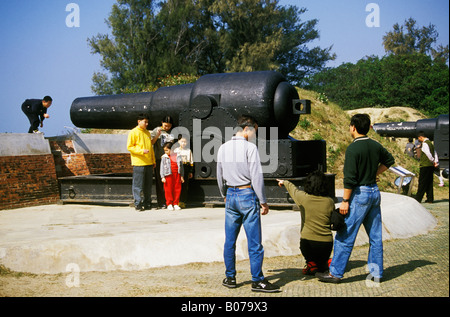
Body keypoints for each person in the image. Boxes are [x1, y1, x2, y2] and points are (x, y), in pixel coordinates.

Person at [317, 113, 395, 283]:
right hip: (374, 192)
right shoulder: (375, 145)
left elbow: (350, 179)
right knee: (375, 237)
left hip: (360, 195)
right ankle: (376, 273)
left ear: (353, 127)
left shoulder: (353, 149)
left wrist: (345, 201)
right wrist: (375, 173)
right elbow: (389, 160)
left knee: (345, 235)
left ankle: (335, 273)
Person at [217, 115, 280, 293]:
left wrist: (224, 195)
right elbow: (256, 176)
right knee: (254, 243)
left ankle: (230, 277)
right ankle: (258, 280)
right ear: (246, 128)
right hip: (246, 194)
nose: (254, 135)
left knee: (230, 241)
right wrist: (263, 201)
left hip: (230, 194)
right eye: (254, 131)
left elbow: (219, 174)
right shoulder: (250, 148)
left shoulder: (222, 148)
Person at [276, 170, 335, 275]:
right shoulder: (329, 202)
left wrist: (284, 182)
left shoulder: (303, 198)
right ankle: (324, 263)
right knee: (322, 263)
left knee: (307, 249)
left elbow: (293, 189)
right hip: (326, 245)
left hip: (308, 244)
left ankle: (311, 263)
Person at [127, 114, 156, 211]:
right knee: (138, 185)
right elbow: (130, 147)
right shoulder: (133, 132)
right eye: (145, 122)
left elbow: (150, 148)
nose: (147, 124)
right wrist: (141, 151)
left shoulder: (147, 133)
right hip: (139, 163)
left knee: (148, 185)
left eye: (147, 122)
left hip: (148, 163)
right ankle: (138, 203)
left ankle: (147, 203)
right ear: (139, 121)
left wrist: (153, 160)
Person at [151, 116, 175, 209]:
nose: (167, 128)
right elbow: (151, 142)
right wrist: (157, 135)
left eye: (169, 126)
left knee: (170, 181)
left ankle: (170, 201)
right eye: (165, 125)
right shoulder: (157, 130)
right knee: (160, 181)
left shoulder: (172, 132)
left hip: (169, 159)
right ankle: (161, 201)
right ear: (162, 123)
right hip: (159, 158)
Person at [415, 131, 439, 203]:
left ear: (421, 137)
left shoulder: (425, 144)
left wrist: (432, 161)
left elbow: (428, 154)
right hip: (430, 166)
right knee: (429, 182)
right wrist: (435, 162)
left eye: (419, 138)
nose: (419, 140)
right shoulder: (430, 143)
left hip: (425, 165)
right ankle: (430, 198)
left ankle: (418, 198)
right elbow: (435, 153)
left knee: (422, 182)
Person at [160, 141, 184, 210]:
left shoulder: (178, 156)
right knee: (168, 189)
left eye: (167, 150)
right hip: (168, 175)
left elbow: (181, 167)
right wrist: (162, 177)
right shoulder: (164, 157)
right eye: (164, 150)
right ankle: (169, 203)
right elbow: (161, 168)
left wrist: (182, 176)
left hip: (177, 174)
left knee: (177, 189)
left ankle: (176, 203)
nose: (165, 152)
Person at [174, 136, 194, 208]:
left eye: (185, 142)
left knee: (184, 185)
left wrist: (190, 171)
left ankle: (182, 201)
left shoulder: (188, 151)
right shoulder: (176, 150)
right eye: (182, 141)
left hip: (185, 167)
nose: (183, 143)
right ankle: (176, 200)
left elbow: (191, 161)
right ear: (179, 141)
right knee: (177, 184)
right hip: (178, 168)